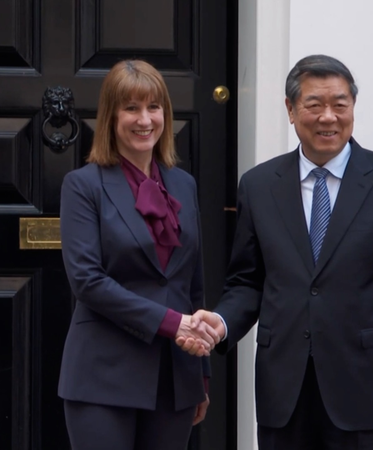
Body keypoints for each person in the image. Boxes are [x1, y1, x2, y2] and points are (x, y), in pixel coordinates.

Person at [180, 54, 373, 449]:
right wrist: (222, 323)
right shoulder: (259, 185)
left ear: (352, 107)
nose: (328, 117)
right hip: (284, 389)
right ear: (291, 110)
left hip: (364, 388)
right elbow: (248, 281)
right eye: (314, 105)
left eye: (340, 104)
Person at [58, 59, 219, 450]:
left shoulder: (183, 184)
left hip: (175, 376)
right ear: (110, 116)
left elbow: (191, 283)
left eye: (153, 107)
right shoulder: (83, 186)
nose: (144, 119)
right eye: (131, 108)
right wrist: (171, 323)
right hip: (103, 375)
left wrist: (201, 372)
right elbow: (87, 281)